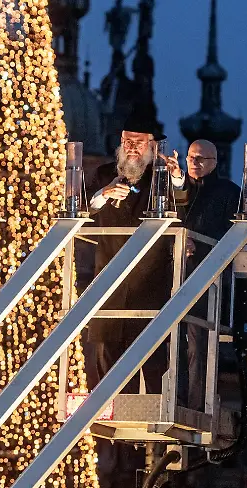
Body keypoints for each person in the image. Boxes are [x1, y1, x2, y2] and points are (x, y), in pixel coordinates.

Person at [86, 108, 182, 395]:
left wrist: (177, 178)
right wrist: (104, 195)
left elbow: (183, 202)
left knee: (153, 364)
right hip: (109, 283)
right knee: (108, 365)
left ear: (152, 146)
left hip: (149, 284)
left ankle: (154, 421)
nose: (131, 148)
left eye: (138, 143)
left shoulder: (161, 177)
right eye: (127, 141)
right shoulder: (105, 174)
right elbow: (83, 209)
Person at [169, 139, 242, 409]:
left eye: (201, 159)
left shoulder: (229, 192)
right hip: (175, 274)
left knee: (198, 344)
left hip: (208, 278)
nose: (194, 163)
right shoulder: (177, 188)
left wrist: (197, 245)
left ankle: (195, 404)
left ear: (214, 162)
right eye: (191, 157)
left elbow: (234, 236)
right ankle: (174, 397)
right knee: (171, 340)